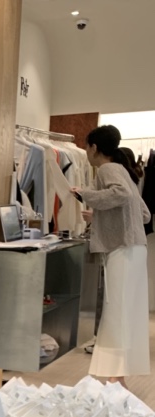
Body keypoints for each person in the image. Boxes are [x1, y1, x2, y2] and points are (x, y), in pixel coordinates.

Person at [72, 125, 151, 387]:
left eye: (86, 146)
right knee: (125, 312)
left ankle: (115, 378)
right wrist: (101, 216)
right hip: (134, 248)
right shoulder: (124, 171)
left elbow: (121, 195)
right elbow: (143, 214)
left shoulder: (108, 169)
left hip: (122, 249)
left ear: (94, 147)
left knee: (116, 312)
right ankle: (118, 378)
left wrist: (86, 194)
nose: (86, 152)